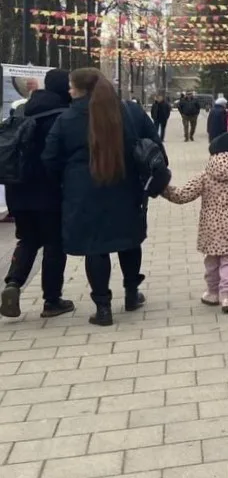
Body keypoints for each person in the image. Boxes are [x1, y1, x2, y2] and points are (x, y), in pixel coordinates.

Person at [42, 68, 160, 326]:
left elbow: (50, 159)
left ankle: (103, 308)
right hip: (125, 188)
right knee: (129, 240)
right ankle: (131, 293)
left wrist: (66, 181)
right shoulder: (130, 112)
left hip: (83, 195)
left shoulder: (66, 119)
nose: (69, 91)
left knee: (95, 248)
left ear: (82, 89)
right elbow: (154, 144)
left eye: (72, 87)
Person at [0, 68, 74, 319]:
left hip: (18, 189)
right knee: (54, 244)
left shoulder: (22, 109)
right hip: (50, 193)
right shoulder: (63, 116)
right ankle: (52, 300)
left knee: (28, 239)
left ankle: (13, 283)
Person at [162, 132, 228, 313]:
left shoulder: (205, 176)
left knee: (211, 262)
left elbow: (183, 195)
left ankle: (212, 292)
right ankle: (227, 296)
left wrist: (163, 189)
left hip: (210, 228)